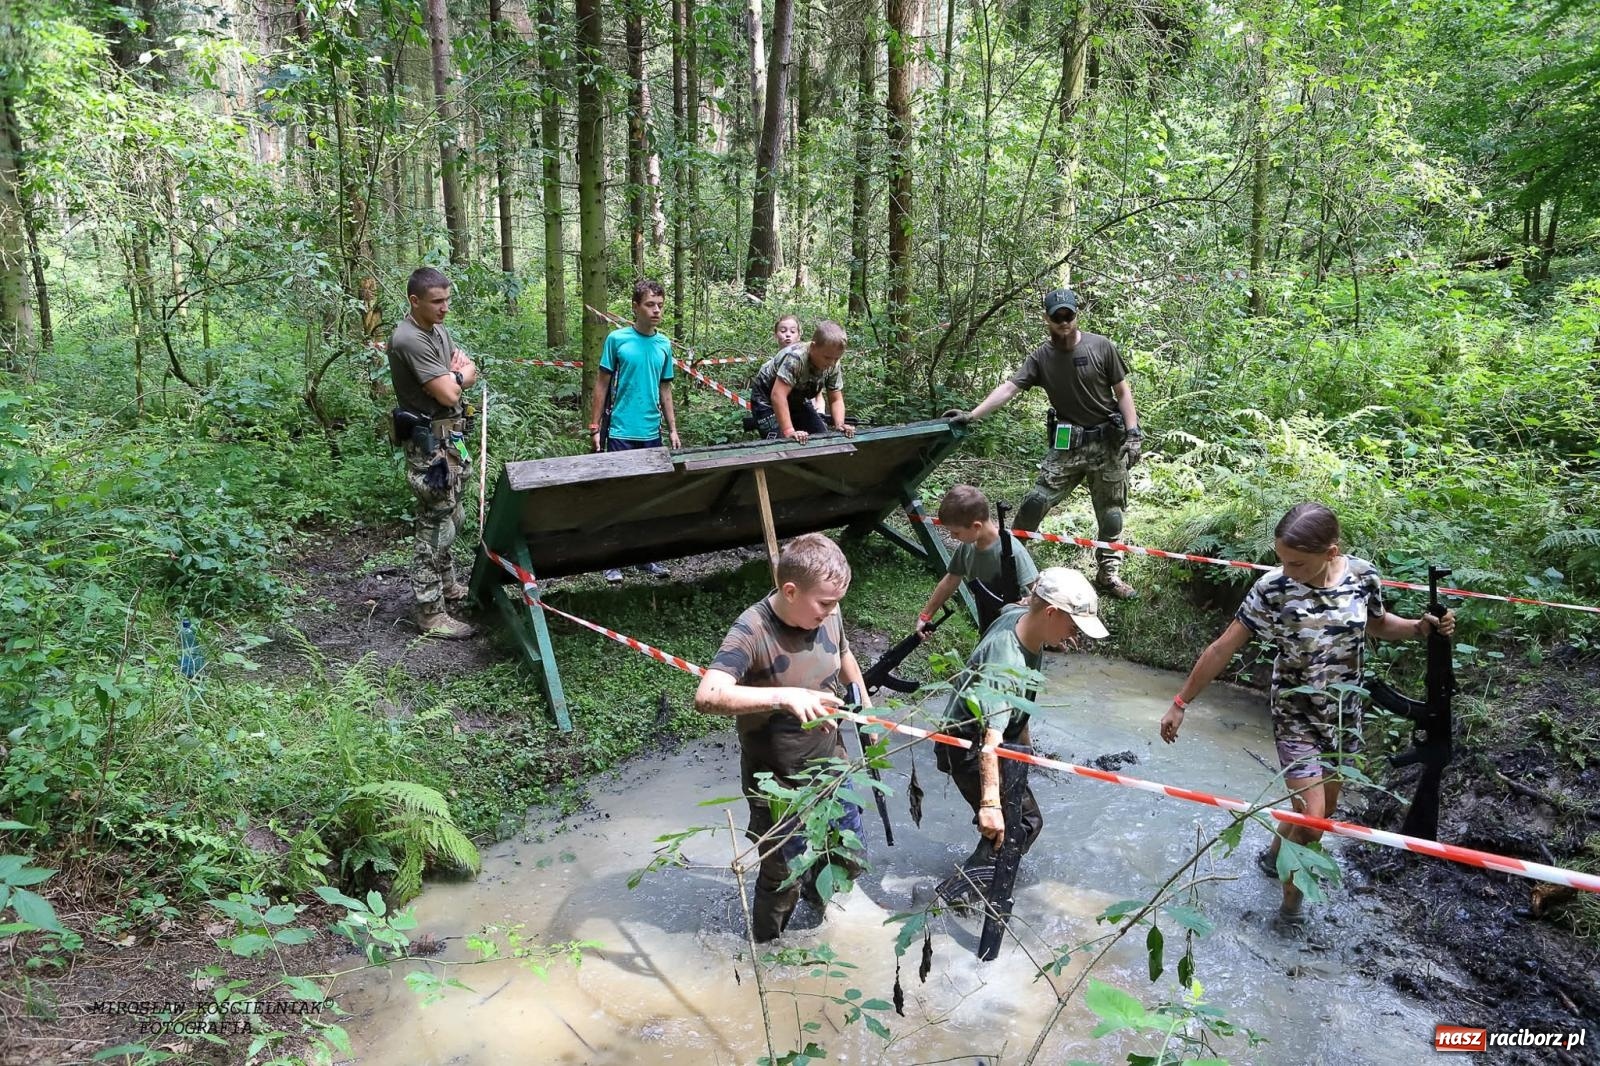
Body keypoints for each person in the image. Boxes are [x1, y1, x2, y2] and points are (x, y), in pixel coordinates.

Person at [1157, 502, 1457, 926]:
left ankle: (1273, 854)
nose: (1287, 568)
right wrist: (1180, 703)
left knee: (1318, 814)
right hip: (1294, 711)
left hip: (1343, 712)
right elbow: (1224, 646)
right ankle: (1290, 913)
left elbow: (1377, 624)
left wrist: (1419, 628)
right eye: (1282, 559)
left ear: (1331, 553)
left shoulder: (1362, 575)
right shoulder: (1272, 588)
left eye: (1297, 562)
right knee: (1313, 821)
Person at [694, 533, 871, 942]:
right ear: (790, 591)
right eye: (824, 604)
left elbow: (843, 653)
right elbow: (708, 695)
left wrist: (860, 697)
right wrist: (784, 696)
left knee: (848, 854)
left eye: (836, 603)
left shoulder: (828, 610)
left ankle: (819, 913)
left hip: (832, 766)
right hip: (777, 780)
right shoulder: (752, 629)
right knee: (781, 874)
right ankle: (769, 949)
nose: (831, 612)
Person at [945, 288, 1142, 600]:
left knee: (1111, 515)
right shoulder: (1041, 357)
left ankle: (1108, 575)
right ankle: (1007, 563)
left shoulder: (1101, 347)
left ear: (1077, 314)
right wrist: (972, 414)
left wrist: (1133, 433)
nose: (1064, 321)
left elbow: (1123, 392)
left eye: (1069, 315)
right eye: (1057, 316)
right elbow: (1009, 388)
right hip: (1068, 445)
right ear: (1047, 319)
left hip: (1106, 443)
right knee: (1035, 502)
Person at [933, 568, 1107, 903]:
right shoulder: (1005, 660)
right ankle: (957, 896)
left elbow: (1012, 606)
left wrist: (1025, 755)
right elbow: (990, 743)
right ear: (1052, 613)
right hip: (970, 744)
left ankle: (979, 876)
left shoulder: (1024, 619)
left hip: (989, 736)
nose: (1074, 635)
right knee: (1020, 824)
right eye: (1073, 626)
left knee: (1019, 822)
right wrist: (989, 804)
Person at [388, 267, 480, 640]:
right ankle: (429, 612)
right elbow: (450, 392)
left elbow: (466, 367)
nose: (444, 308)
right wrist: (459, 378)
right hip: (429, 448)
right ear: (415, 301)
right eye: (436, 301)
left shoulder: (437, 331)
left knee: (452, 515)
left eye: (447, 300)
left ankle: (448, 584)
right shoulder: (408, 338)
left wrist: (458, 376)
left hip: (451, 440)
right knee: (434, 523)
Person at [589, 280, 681, 583]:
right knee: (619, 496)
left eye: (660, 305)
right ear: (635, 307)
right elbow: (602, 383)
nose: (656, 310)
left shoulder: (664, 344)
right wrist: (595, 426)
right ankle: (612, 560)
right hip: (619, 430)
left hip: (650, 431)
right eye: (650, 305)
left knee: (649, 497)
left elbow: (665, 389)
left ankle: (646, 558)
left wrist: (672, 429)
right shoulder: (617, 340)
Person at [916, 484, 1040, 636]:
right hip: (989, 629)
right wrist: (925, 615)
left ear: (976, 526)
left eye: (956, 532)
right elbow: (950, 581)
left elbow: (1040, 592)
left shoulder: (1013, 551)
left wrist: (1025, 602)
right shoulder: (967, 547)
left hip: (1019, 633)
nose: (953, 537)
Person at [749, 321, 855, 443]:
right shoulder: (796, 358)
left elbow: (835, 397)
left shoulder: (833, 363)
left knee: (822, 439)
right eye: (827, 357)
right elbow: (778, 396)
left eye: (836, 358)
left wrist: (840, 424)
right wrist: (789, 431)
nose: (831, 362)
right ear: (813, 347)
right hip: (766, 399)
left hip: (796, 398)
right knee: (783, 444)